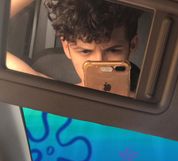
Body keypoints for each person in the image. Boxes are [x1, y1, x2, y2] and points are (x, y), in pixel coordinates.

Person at [7, 0, 142, 92]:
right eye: (85, 51)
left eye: (113, 50)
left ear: (133, 45)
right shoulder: (54, 95)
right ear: (67, 48)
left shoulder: (152, 106)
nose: (100, 64)